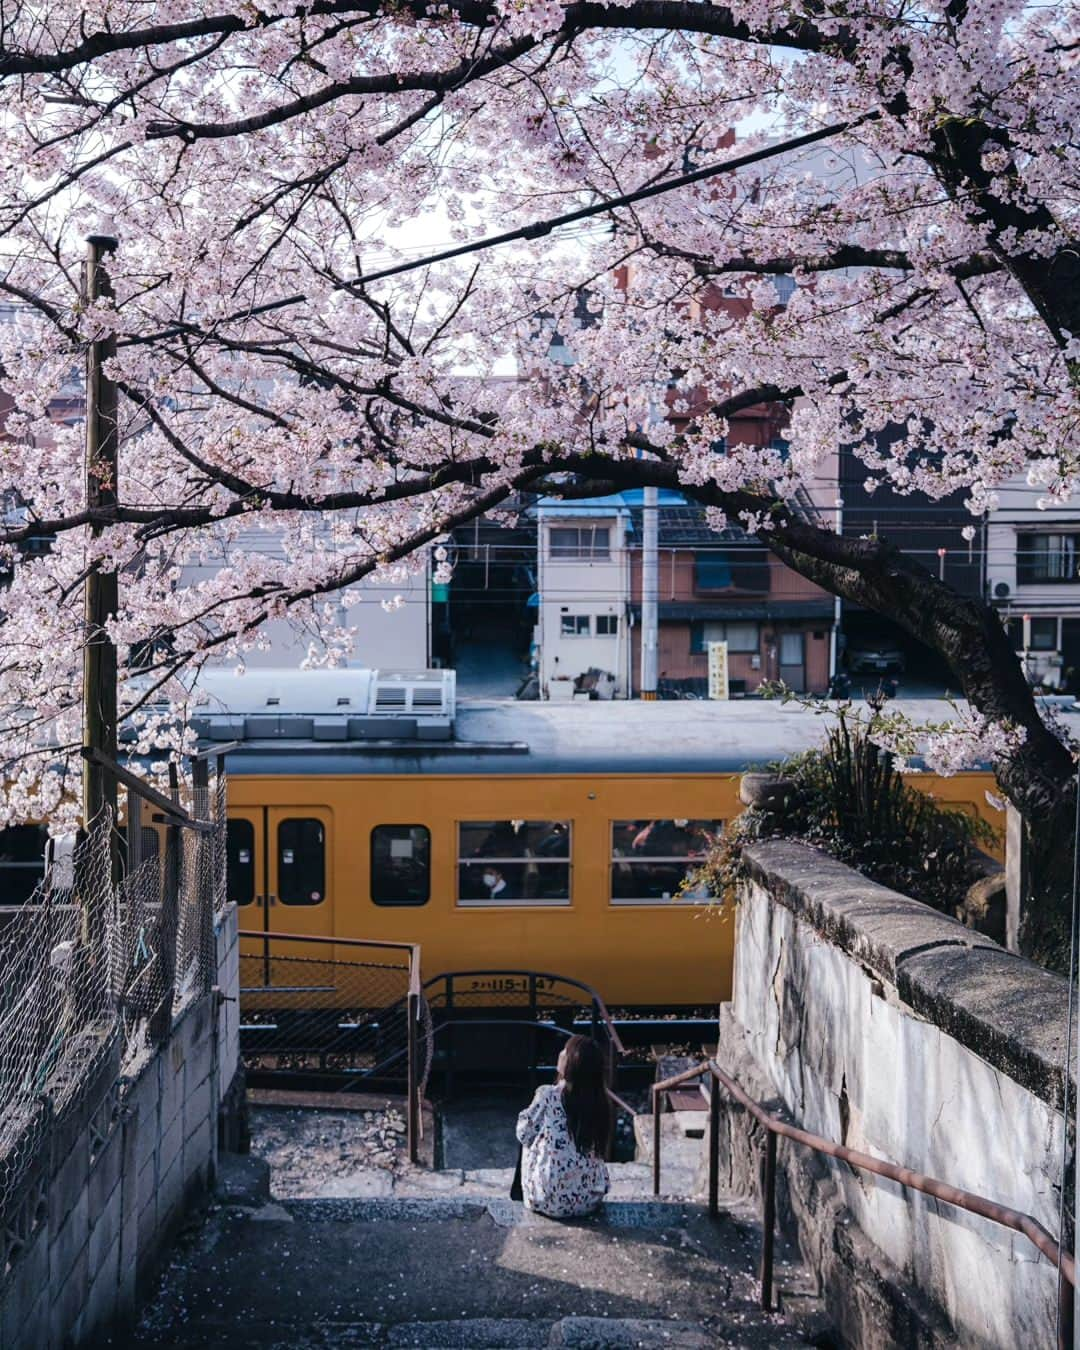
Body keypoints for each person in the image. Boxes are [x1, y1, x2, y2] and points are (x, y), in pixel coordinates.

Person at [514, 1035, 611, 1218]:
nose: (560, 1053)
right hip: (588, 1201)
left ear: (572, 1063)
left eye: (566, 1052)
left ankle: (528, 1190)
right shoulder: (600, 1101)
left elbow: (523, 1133)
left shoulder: (547, 1094)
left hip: (548, 1202)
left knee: (530, 1133)